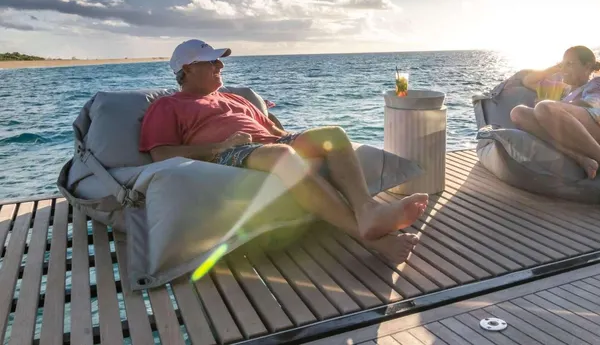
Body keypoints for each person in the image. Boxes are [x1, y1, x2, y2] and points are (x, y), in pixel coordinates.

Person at [139, 39, 429, 264]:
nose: (221, 66)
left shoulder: (234, 98)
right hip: (231, 153)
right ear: (187, 69)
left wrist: (301, 138)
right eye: (212, 61)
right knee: (282, 156)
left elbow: (276, 133)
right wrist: (221, 146)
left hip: (271, 143)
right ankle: (371, 241)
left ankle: (369, 211)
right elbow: (160, 154)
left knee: (333, 134)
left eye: (220, 60)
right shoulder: (167, 106)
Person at [509, 46, 600, 195]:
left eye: (570, 64)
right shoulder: (565, 90)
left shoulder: (597, 84)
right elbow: (528, 80)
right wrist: (557, 68)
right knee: (518, 112)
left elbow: (590, 105)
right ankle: (580, 158)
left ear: (587, 66)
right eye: (563, 64)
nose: (564, 68)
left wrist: (551, 107)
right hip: (577, 136)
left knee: (544, 107)